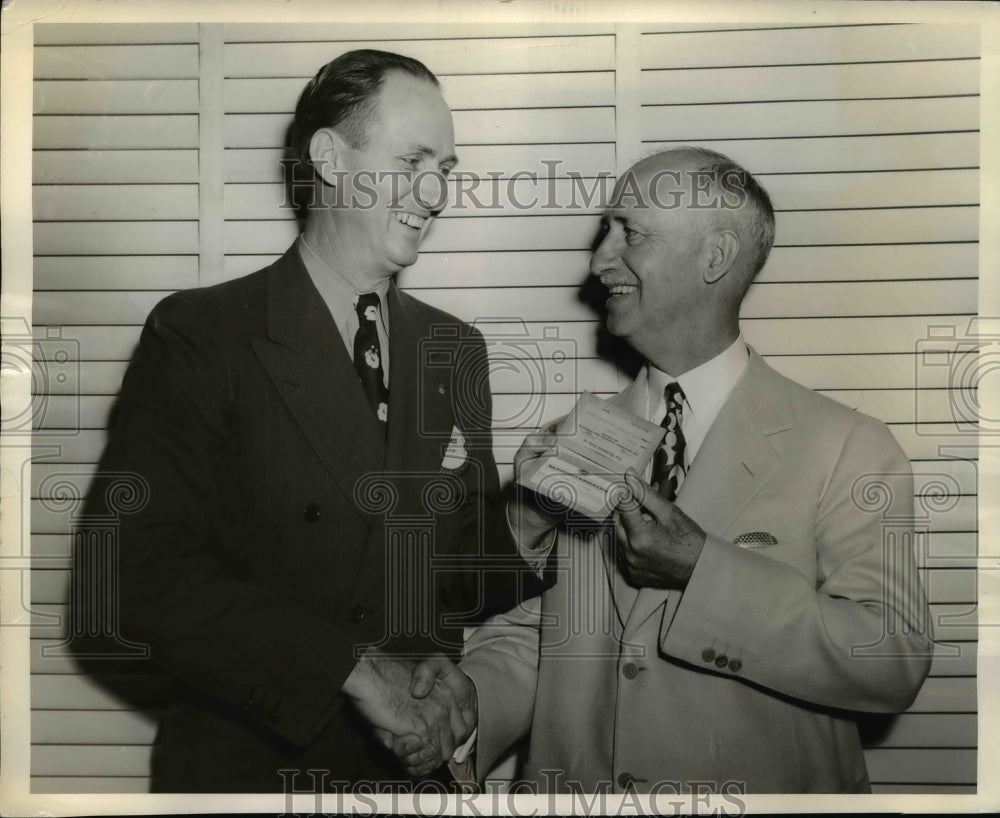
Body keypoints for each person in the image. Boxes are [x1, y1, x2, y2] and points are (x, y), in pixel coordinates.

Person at [389, 147, 934, 793]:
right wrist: (467, 703)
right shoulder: (565, 442)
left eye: (630, 232)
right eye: (604, 232)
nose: (598, 262)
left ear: (714, 256)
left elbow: (891, 658)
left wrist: (703, 568)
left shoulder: (849, 447)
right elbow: (555, 633)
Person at [76, 49, 544, 793]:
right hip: (260, 775)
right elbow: (136, 582)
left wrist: (540, 514)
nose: (436, 192)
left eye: (447, 168)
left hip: (412, 780)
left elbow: (461, 583)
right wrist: (349, 670)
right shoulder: (202, 334)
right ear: (329, 157)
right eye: (413, 160)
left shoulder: (458, 349)